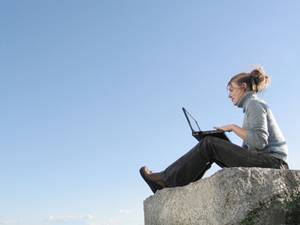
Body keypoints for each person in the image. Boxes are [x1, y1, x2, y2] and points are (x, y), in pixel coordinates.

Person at [139, 66, 289, 193]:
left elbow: (259, 142)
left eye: (231, 89)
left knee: (209, 144)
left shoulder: (254, 104)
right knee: (211, 146)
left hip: (273, 163)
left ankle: (166, 179)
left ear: (243, 88)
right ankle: (172, 184)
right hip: (266, 160)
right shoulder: (250, 106)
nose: (229, 95)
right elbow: (254, 146)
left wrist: (232, 127)